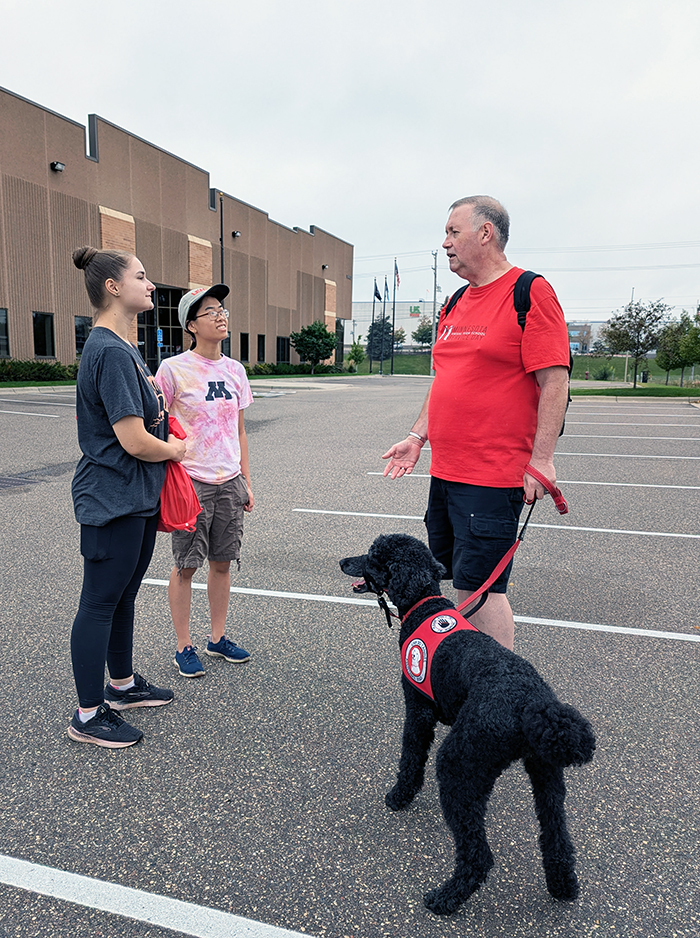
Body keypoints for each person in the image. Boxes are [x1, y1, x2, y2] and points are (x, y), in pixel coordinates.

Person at [382, 196, 570, 651]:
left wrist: (541, 460)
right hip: (446, 473)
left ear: (485, 233)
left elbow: (554, 381)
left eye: (453, 232)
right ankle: (472, 680)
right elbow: (444, 380)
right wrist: (417, 436)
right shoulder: (455, 302)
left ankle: (498, 691)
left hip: (492, 475)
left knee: (484, 592)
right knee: (463, 585)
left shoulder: (529, 292)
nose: (445, 243)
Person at [68, 246, 186, 748]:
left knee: (122, 597)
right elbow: (134, 439)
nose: (151, 285)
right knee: (99, 603)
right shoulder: (111, 351)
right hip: (111, 499)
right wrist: (176, 449)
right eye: (142, 276)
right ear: (113, 287)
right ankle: (88, 715)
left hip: (133, 497)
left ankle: (121, 687)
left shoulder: (123, 346)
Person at [155, 284, 254, 678]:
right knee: (186, 565)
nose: (220, 315)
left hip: (228, 480)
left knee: (223, 563)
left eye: (222, 308)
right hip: (191, 481)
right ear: (191, 326)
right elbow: (156, 423)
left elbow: (241, 431)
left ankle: (217, 638)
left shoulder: (236, 370)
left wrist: (247, 480)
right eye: (210, 311)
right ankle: (184, 646)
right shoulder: (173, 369)